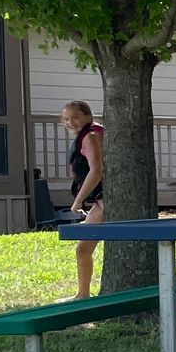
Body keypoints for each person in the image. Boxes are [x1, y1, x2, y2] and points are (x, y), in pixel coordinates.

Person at [61, 100, 106, 299]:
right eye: (66, 119)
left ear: (89, 117)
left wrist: (78, 201)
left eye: (75, 117)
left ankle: (82, 295)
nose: (70, 122)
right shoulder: (93, 133)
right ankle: (82, 293)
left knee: (83, 248)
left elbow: (96, 171)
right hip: (100, 200)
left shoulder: (91, 136)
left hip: (105, 201)